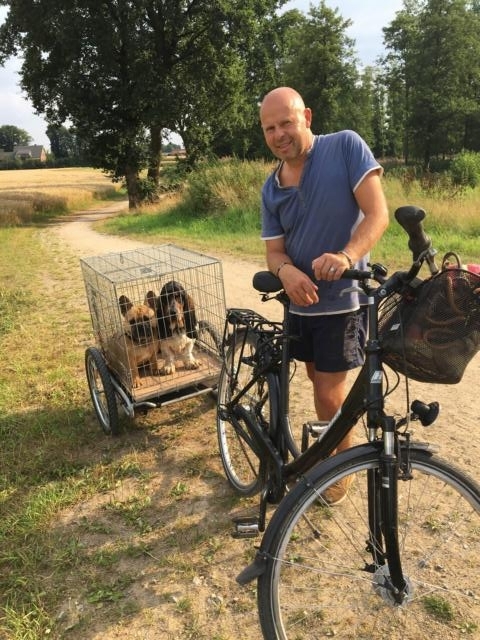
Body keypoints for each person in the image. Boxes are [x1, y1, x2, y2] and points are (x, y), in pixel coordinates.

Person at [259, 86, 389, 504]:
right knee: (316, 377)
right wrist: (288, 272)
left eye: (286, 123)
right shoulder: (271, 187)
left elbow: (377, 213)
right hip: (301, 302)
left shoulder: (346, 147)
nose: (279, 134)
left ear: (307, 117)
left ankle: (339, 464)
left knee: (328, 391)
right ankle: (333, 446)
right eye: (269, 128)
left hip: (342, 299)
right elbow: (273, 253)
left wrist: (347, 254)